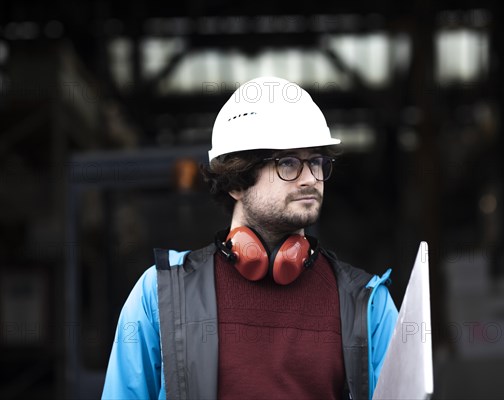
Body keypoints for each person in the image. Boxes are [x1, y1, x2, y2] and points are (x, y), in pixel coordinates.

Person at [102, 76, 398, 400]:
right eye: (288, 163)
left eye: (316, 161)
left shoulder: (368, 304)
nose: (310, 178)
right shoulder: (160, 295)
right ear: (236, 182)